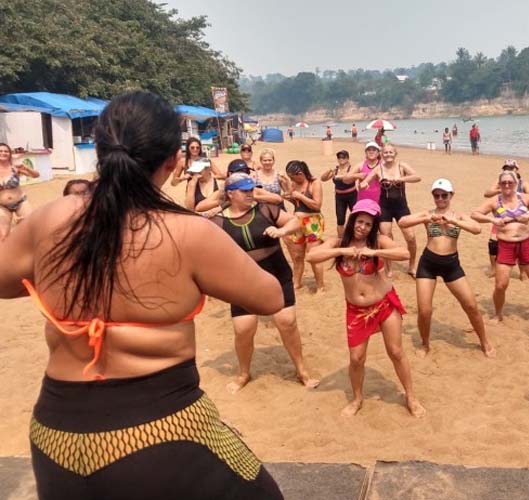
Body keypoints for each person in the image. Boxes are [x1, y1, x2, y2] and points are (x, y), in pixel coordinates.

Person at [0, 91, 284, 498]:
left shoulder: (50, 218)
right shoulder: (187, 232)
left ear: (99, 149)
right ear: (173, 160)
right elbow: (269, 297)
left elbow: (4, 281)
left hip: (55, 433)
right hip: (161, 429)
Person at [306, 199, 426, 417]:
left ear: (373, 227)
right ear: (353, 221)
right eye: (360, 221)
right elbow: (311, 256)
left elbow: (404, 253)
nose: (362, 227)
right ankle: (357, 398)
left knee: (396, 351)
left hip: (384, 304)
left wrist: (374, 253)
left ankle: (411, 396)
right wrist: (342, 250)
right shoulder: (338, 242)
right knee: (356, 359)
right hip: (356, 310)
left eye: (368, 224)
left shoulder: (378, 241)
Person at [211, 173, 319, 393]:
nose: (251, 194)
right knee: (244, 329)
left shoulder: (264, 209)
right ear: (231, 194)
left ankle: (301, 370)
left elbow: (297, 220)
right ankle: (243, 373)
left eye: (252, 190)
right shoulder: (219, 220)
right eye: (245, 191)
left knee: (286, 323)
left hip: (275, 273)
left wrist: (281, 231)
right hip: (243, 280)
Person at [398, 178, 495, 358]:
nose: (440, 199)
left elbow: (476, 229)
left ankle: (484, 341)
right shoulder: (428, 214)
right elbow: (403, 222)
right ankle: (425, 344)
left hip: (451, 265)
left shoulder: (457, 215)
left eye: (444, 195)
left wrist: (455, 222)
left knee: (471, 306)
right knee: (425, 310)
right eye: (437, 195)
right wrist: (427, 218)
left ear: (451, 195)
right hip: (428, 263)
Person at [471, 171, 529, 324]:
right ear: (499, 185)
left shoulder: (524, 198)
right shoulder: (495, 201)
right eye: (503, 183)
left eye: (510, 182)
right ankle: (498, 314)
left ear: (515, 184)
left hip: (525, 244)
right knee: (500, 285)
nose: (506, 185)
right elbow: (475, 214)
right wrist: (493, 219)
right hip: (505, 245)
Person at [359, 144, 421, 276]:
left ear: (395, 154)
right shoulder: (378, 169)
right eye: (385, 152)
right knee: (386, 237)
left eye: (390, 152)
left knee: (410, 237)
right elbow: (365, 181)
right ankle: (389, 268)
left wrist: (401, 178)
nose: (388, 154)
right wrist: (363, 184)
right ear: (382, 154)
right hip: (385, 207)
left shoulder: (401, 166)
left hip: (401, 207)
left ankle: (412, 266)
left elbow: (417, 177)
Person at [483, 160, 529, 277]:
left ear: (517, 169)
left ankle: (522, 272)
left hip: (519, 217)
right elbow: (487, 193)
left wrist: (517, 194)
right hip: (502, 214)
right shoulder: (500, 182)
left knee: (521, 244)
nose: (509, 170)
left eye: (512, 168)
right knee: (493, 243)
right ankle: (494, 269)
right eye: (506, 168)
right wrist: (502, 189)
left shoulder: (523, 183)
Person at [284, 160, 326, 292]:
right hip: (297, 221)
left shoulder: (315, 183)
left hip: (313, 221)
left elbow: (317, 205)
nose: (292, 179)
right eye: (290, 177)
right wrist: (289, 197)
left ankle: (320, 286)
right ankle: (296, 282)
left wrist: (300, 197)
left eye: (293, 176)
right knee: (297, 256)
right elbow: (296, 203)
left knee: (313, 255)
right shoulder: (293, 184)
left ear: (301, 173)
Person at [0, 143, 40, 239]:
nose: (3, 153)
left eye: (6, 151)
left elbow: (36, 175)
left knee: (31, 227)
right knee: (3, 235)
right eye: (0, 151)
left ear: (10, 154)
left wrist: (26, 168)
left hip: (20, 202)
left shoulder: (15, 168)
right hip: (2, 206)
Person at [321, 150, 357, 236]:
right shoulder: (335, 170)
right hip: (339, 197)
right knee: (340, 219)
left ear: (347, 158)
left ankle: (357, 236)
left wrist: (341, 176)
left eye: (343, 157)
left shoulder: (352, 169)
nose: (341, 159)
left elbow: (354, 176)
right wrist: (328, 170)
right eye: (339, 157)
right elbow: (323, 179)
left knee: (356, 216)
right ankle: (341, 238)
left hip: (352, 195)